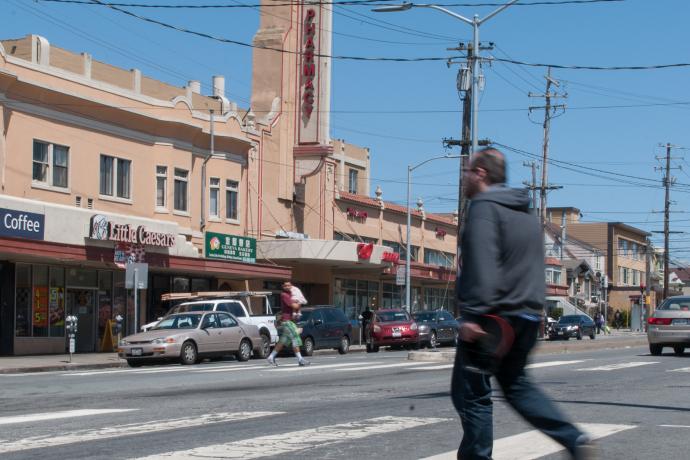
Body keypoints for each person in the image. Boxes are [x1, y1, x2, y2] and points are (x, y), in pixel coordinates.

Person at [451, 148, 595, 460]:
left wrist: (473, 314)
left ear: (481, 174)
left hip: (491, 320)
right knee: (517, 388)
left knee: (470, 394)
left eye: (467, 171)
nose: (464, 178)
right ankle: (574, 439)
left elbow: (482, 263)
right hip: (526, 316)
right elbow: (533, 267)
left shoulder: (483, 208)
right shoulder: (528, 216)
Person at [266, 281, 310, 367]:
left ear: (291, 286)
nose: (287, 287)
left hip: (288, 321)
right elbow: (294, 306)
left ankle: (271, 357)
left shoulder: (291, 294)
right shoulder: (284, 295)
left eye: (289, 285)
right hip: (287, 321)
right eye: (285, 285)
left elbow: (295, 308)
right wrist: (300, 301)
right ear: (282, 286)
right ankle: (300, 359)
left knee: (282, 341)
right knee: (295, 338)